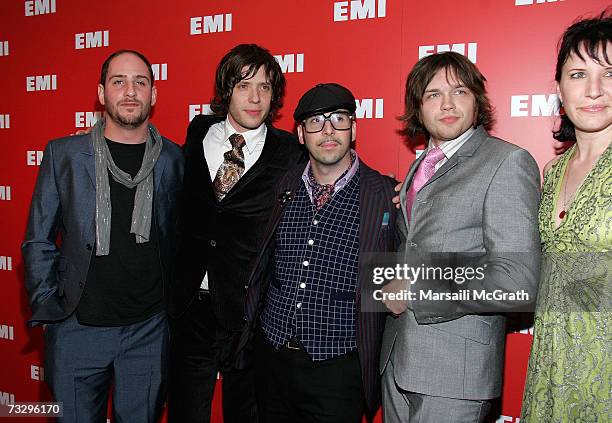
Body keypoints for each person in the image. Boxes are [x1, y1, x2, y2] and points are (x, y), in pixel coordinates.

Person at [22, 50, 183, 422]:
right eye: (119, 82)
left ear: (153, 95)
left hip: (148, 329)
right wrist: (52, 311)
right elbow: (38, 240)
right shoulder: (63, 155)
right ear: (101, 92)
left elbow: (179, 239)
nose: (130, 91)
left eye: (140, 83)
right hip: (78, 329)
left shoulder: (174, 160)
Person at [380, 52, 541, 423]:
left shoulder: (507, 162)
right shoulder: (422, 164)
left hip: (456, 372)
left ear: (477, 101)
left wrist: (416, 288)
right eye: (433, 95)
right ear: (418, 109)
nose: (448, 104)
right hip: (397, 359)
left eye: (459, 91)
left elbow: (519, 279)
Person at [234, 83, 397, 423]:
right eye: (315, 122)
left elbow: (410, 265)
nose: (327, 130)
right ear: (300, 134)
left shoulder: (384, 195)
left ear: (354, 128)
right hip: (272, 358)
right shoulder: (283, 185)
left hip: (338, 370)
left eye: (338, 118)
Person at [168, 44, 304, 423]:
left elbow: (334, 168)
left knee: (246, 413)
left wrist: (387, 191)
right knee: (186, 410)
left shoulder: (290, 151)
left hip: (248, 310)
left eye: (265, 87)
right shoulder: (197, 131)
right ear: (227, 89)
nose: (256, 97)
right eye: (245, 85)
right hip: (189, 304)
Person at [521, 11, 611, 422]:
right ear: (558, 87)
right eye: (578, 75)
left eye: (609, 73)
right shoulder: (553, 171)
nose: (594, 90)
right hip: (552, 364)